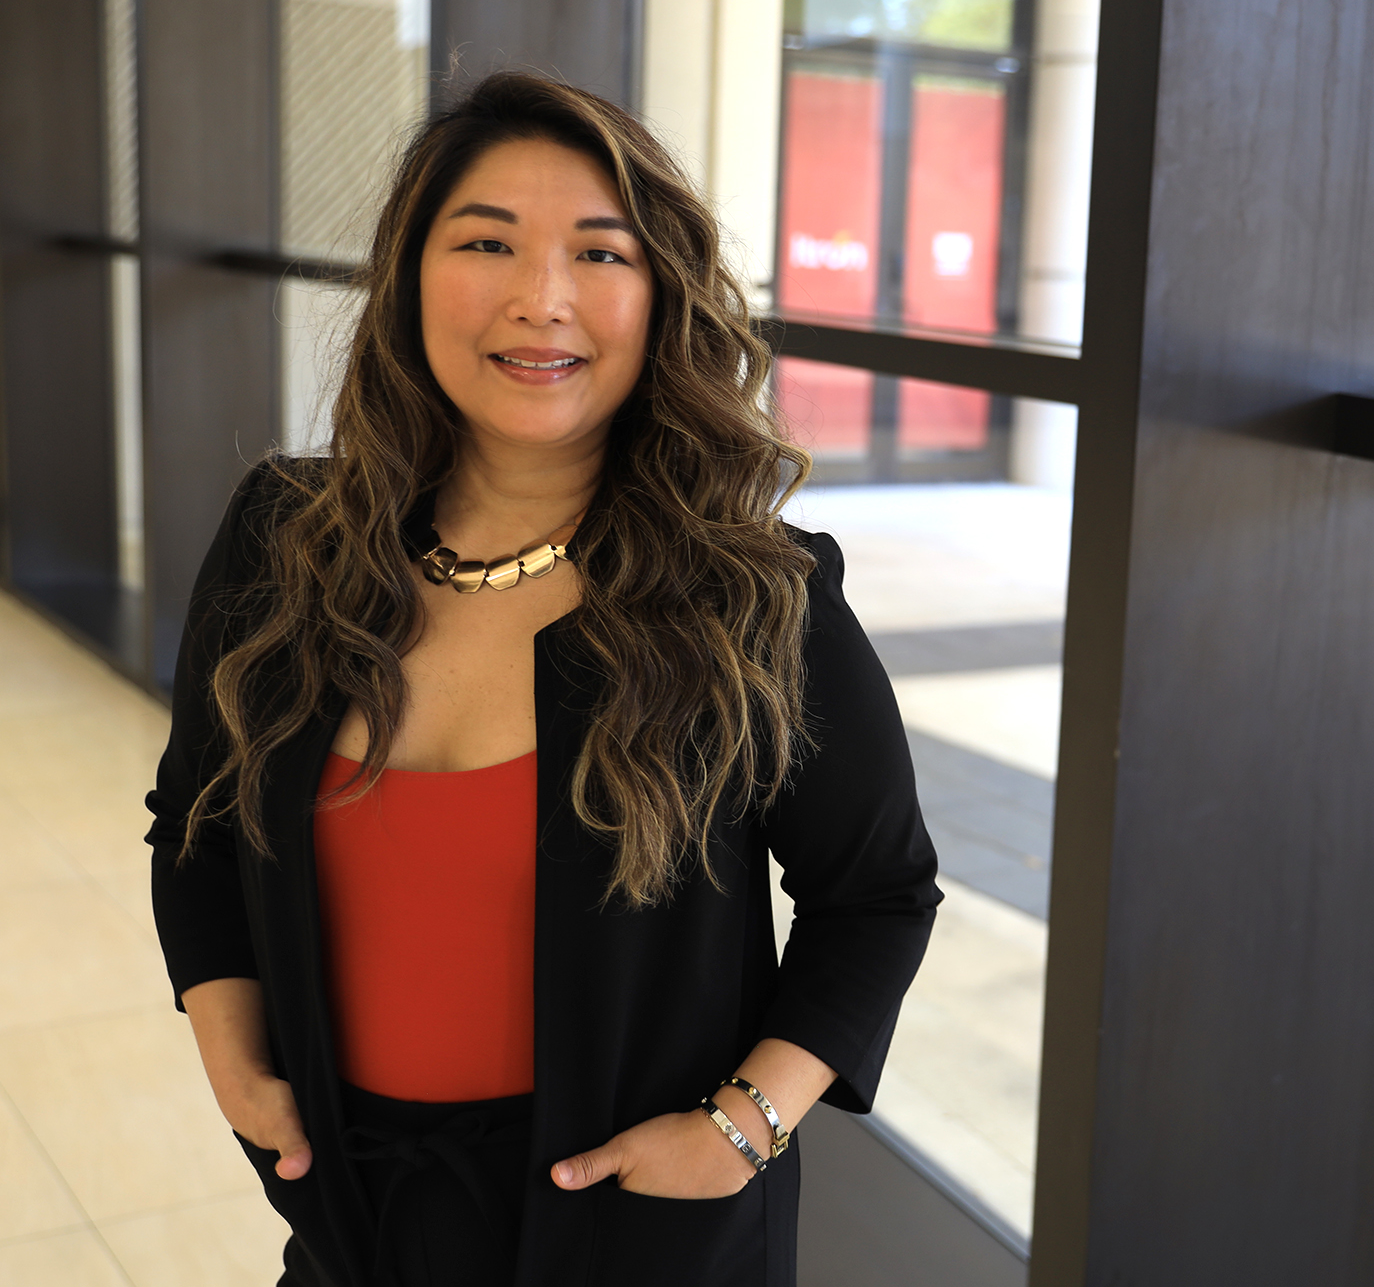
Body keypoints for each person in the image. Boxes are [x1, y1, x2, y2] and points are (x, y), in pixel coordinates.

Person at [146, 71, 941, 1287]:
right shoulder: (285, 541)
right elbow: (196, 822)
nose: (542, 298)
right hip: (357, 1217)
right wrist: (231, 1053)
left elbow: (877, 893)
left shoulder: (749, 595)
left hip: (634, 1233)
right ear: (410, 275)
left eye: (600, 254)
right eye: (487, 243)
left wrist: (743, 1130)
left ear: (660, 296)